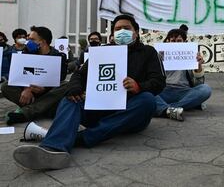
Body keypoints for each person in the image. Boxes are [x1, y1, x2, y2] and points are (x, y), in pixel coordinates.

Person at [13, 14, 166, 170]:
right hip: (99, 108)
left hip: (129, 114)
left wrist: (139, 86)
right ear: (112, 34)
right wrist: (75, 88)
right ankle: (53, 149)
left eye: (126, 28)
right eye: (117, 29)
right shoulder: (101, 52)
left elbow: (158, 82)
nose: (122, 32)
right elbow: (79, 74)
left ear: (136, 31)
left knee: (147, 100)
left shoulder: (148, 52)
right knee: (70, 98)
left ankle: (81, 138)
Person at [2, 26, 68, 125]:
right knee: (6, 86)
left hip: (48, 93)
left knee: (65, 85)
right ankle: (42, 110)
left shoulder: (59, 57)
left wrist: (44, 88)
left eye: (32, 39)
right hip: (31, 94)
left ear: (43, 42)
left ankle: (26, 112)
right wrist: (27, 88)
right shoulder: (26, 53)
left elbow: (59, 79)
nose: (28, 42)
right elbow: (19, 75)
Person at [155, 28, 211, 121]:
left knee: (205, 89)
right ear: (167, 41)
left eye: (179, 41)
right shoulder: (158, 55)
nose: (176, 43)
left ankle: (166, 108)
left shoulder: (192, 56)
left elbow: (199, 84)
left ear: (185, 42)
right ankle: (176, 107)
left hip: (183, 92)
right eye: (173, 41)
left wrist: (198, 66)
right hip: (163, 91)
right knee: (146, 93)